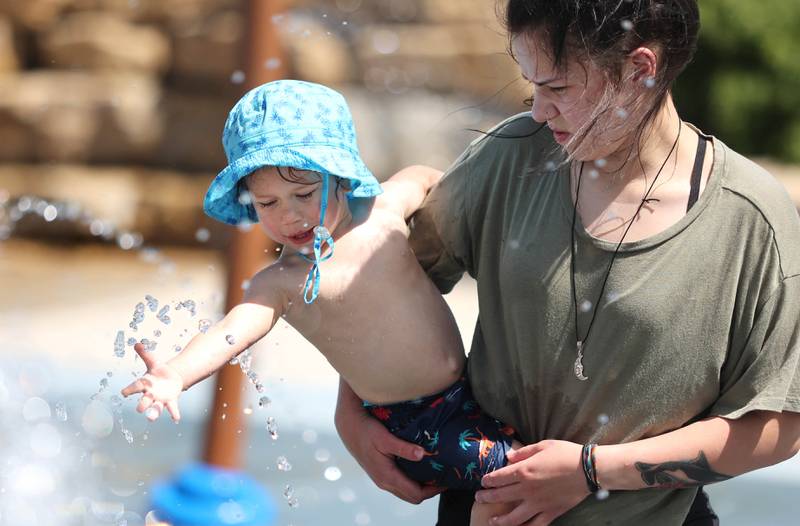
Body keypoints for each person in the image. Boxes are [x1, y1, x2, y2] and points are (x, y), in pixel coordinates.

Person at [334, 1, 800, 524]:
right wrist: (352, 409)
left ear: (639, 70)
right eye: (532, 84)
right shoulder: (509, 158)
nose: (537, 110)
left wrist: (592, 471)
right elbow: (383, 284)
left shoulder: (751, 220)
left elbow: (778, 427)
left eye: (557, 89)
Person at [120, 80, 520, 523]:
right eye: (268, 202)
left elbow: (424, 178)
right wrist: (175, 374)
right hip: (414, 424)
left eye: (305, 195)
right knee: (516, 480)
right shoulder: (285, 282)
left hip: (472, 388)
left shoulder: (384, 213)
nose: (289, 215)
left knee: (521, 471)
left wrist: (446, 189)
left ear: (342, 178)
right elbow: (231, 331)